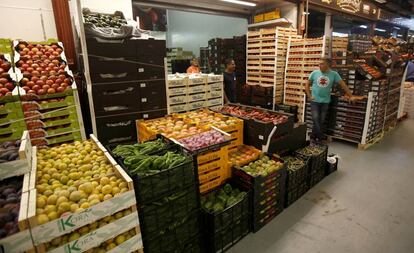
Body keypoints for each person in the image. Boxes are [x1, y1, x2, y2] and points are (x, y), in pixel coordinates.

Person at [305, 58, 360, 143]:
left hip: (325, 101)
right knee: (315, 119)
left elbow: (343, 85)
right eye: (319, 64)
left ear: (327, 65)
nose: (320, 65)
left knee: (321, 121)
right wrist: (309, 96)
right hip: (315, 101)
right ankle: (320, 137)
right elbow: (307, 85)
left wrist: (351, 95)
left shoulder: (334, 74)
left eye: (322, 64)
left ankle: (313, 137)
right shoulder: (314, 73)